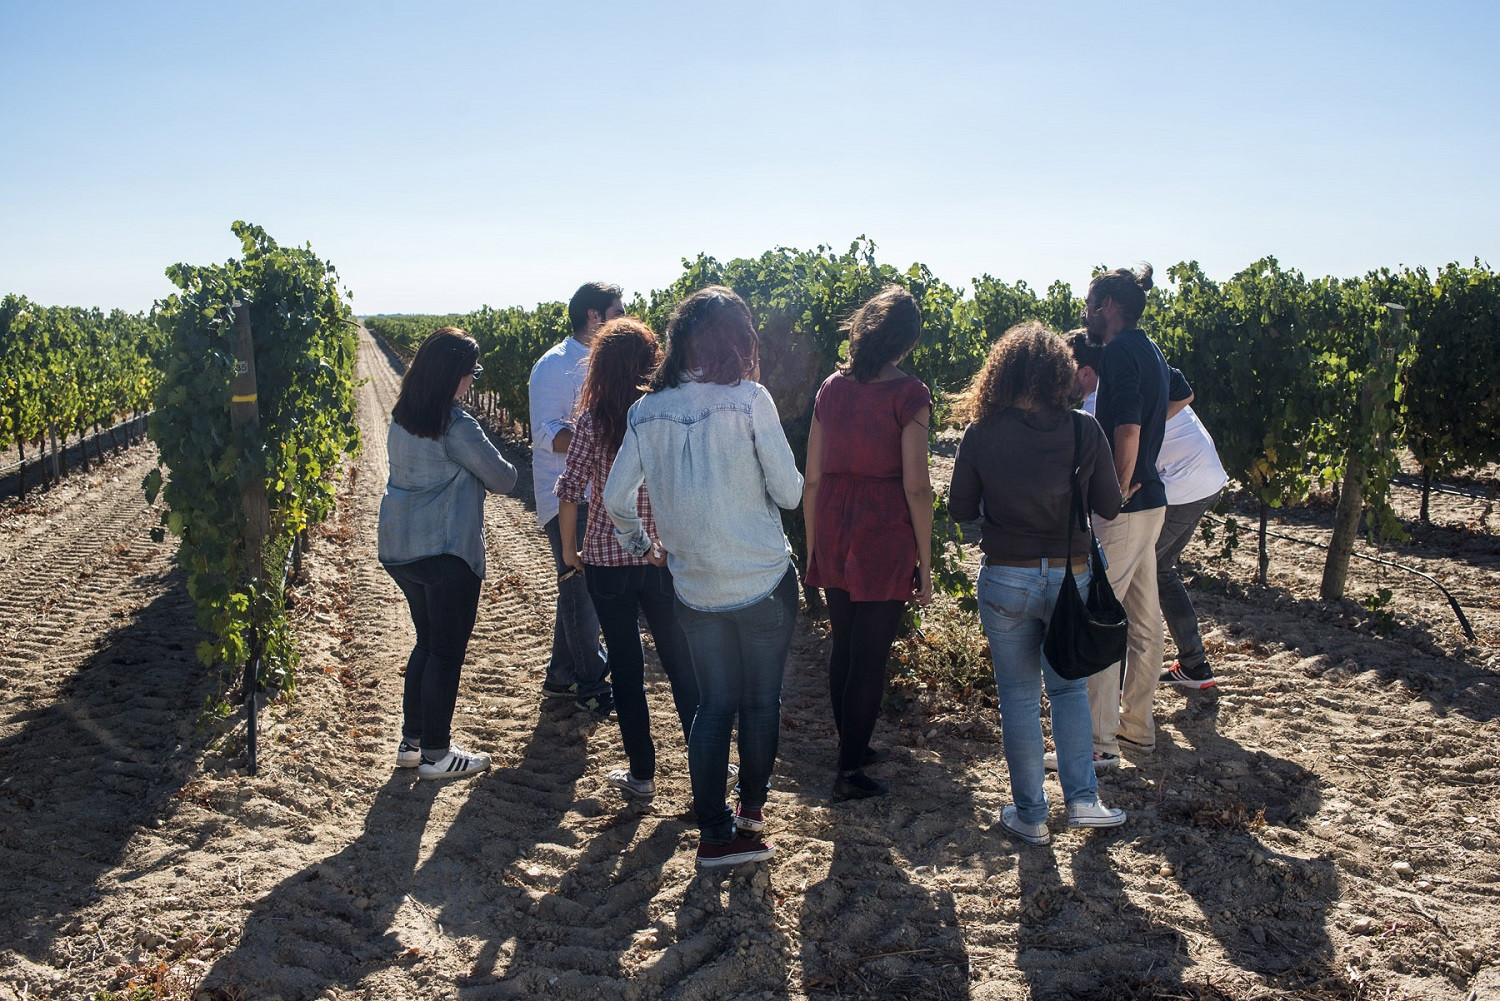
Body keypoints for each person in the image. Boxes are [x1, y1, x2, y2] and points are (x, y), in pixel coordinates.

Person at [604, 286, 803, 869]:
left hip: (693, 588)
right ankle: (750, 816)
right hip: (764, 580)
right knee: (761, 705)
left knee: (713, 707)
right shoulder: (749, 401)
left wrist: (648, 546)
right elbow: (790, 493)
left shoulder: (645, 412)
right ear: (738, 341)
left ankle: (714, 834)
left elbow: (617, 499)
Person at [947, 322, 1126, 844]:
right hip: (1071, 576)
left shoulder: (982, 433)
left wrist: (998, 520)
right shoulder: (1082, 430)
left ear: (1001, 373)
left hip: (1006, 577)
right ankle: (1083, 799)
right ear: (1059, 373)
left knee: (1019, 700)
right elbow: (1109, 506)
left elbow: (959, 509)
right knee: (1068, 688)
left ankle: (1031, 815)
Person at [555, 317, 700, 799]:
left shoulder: (594, 421)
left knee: (628, 671)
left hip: (606, 561)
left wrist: (572, 551)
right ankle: (706, 777)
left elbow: (570, 490)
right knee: (681, 667)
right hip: (661, 559)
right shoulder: (665, 415)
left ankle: (642, 777)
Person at [804, 285, 932, 801]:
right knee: (870, 656)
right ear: (906, 342)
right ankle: (850, 770)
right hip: (883, 527)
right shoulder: (910, 393)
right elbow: (918, 486)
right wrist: (925, 558)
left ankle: (850, 746)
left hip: (834, 519)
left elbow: (811, 477)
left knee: (845, 645)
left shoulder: (830, 389)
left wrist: (814, 545)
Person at [378, 327, 518, 780]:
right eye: (471, 372)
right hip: (445, 552)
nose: (473, 380)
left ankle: (412, 742)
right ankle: (437, 755)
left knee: (427, 641)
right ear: (453, 375)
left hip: (402, 550)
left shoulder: (403, 416)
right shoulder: (456, 425)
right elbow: (503, 479)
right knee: (445, 653)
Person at [1083, 265, 1171, 763]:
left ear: (1109, 306)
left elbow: (1129, 428)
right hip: (1153, 501)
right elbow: (1179, 397)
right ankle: (1136, 725)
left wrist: (1113, 491)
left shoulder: (1118, 351)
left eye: (1091, 301)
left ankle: (1098, 743)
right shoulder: (1151, 349)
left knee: (1100, 619)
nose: (1086, 312)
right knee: (1143, 621)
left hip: (1129, 507)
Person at [529, 282, 621, 715]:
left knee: (579, 589)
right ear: (593, 315)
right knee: (582, 590)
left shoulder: (602, 365)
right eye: (617, 311)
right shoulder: (555, 365)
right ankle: (592, 684)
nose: (624, 318)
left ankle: (561, 678)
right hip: (567, 495)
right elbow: (549, 433)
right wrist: (602, 441)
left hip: (597, 495)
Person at [1154, 380, 1228, 690]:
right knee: (1159, 570)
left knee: (1130, 570)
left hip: (1182, 485)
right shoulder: (1142, 365)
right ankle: (1194, 665)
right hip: (1204, 479)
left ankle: (1120, 677)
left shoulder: (1104, 392)